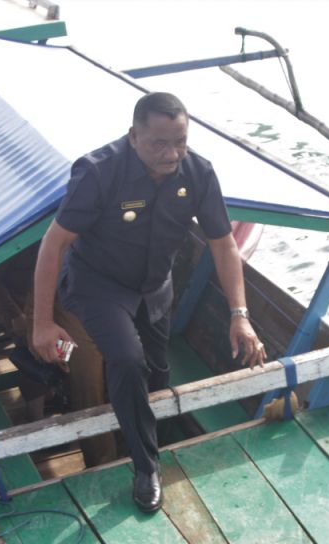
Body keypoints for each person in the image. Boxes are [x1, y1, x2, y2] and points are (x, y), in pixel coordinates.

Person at [30, 92, 265, 513]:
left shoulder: (197, 173)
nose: (172, 153)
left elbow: (223, 245)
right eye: (159, 143)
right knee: (126, 360)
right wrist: (42, 324)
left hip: (155, 288)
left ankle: (150, 427)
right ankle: (145, 466)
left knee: (158, 371)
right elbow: (55, 244)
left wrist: (239, 315)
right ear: (133, 136)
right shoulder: (99, 172)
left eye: (181, 141)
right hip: (99, 285)